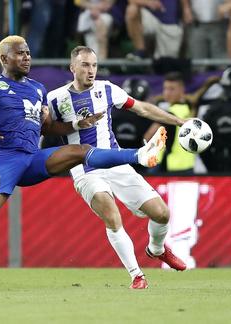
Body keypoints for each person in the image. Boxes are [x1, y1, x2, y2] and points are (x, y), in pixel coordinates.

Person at [0, 36, 168, 289]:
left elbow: (47, 128)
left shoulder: (37, 89)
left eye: (28, 52)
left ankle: (138, 155)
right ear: (4, 59)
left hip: (31, 158)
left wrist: (75, 124)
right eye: (20, 54)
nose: (27, 57)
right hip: (3, 160)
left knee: (80, 150)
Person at [47, 46, 187, 290]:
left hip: (115, 163)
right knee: (112, 215)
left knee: (162, 214)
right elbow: (43, 128)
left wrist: (179, 121)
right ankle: (137, 275)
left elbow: (142, 108)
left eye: (94, 65)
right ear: (72, 68)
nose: (91, 71)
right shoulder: (55, 98)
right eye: (84, 65)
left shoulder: (107, 89)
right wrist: (74, 125)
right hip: (84, 169)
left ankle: (156, 249)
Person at [144, 71, 195, 173]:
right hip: (188, 165)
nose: (167, 93)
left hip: (169, 167)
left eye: (172, 89)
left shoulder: (169, 114)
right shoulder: (189, 109)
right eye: (165, 88)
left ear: (182, 90)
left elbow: (148, 137)